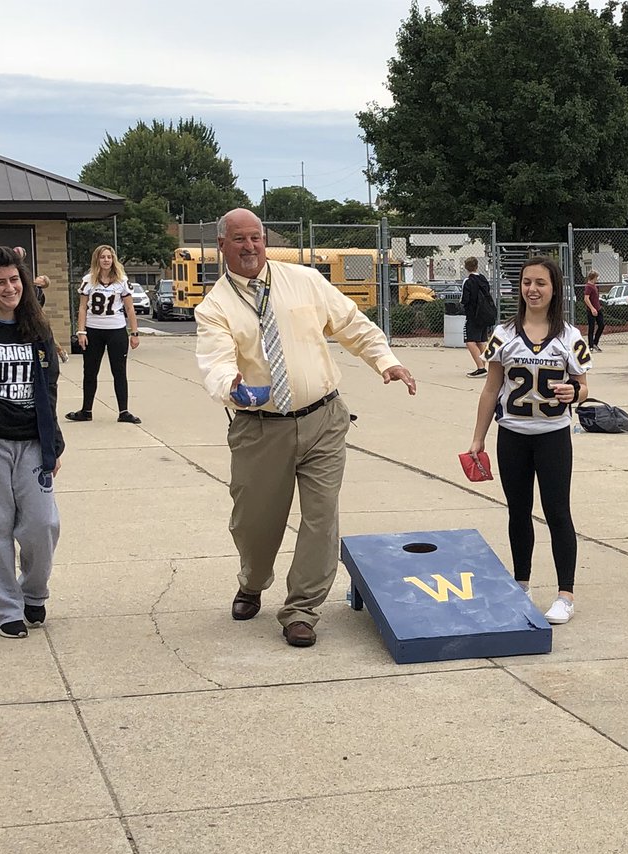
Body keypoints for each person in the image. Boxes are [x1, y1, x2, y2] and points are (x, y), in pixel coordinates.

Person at [195, 208, 417, 648]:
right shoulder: (215, 307)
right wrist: (231, 385)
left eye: (256, 237)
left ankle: (301, 610)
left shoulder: (304, 280)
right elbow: (215, 360)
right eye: (239, 239)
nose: (250, 246)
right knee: (255, 524)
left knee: (321, 517)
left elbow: (352, 324)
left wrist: (385, 361)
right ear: (222, 245)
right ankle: (252, 580)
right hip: (260, 429)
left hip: (324, 419)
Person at [466, 257, 591, 625]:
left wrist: (574, 392)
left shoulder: (570, 336)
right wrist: (478, 438)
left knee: (557, 512)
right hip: (513, 436)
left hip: (552, 437)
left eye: (540, 283)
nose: (532, 290)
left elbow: (584, 386)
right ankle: (521, 584)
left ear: (554, 289)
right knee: (517, 512)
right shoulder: (503, 334)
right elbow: (491, 389)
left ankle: (565, 594)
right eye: (526, 282)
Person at [0, 246, 64, 638]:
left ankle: (33, 593)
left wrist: (53, 442)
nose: (10, 288)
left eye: (14, 279)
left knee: (43, 525)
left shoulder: (36, 328)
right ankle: (6, 609)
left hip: (32, 443)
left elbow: (50, 388)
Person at [65, 244, 142, 424]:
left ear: (113, 259)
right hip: (94, 329)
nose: (106, 260)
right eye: (102, 257)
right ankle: (86, 410)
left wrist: (134, 332)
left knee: (119, 371)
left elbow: (130, 308)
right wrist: (81, 331)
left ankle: (124, 411)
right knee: (90, 371)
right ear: (97, 260)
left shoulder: (121, 281)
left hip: (116, 329)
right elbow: (82, 307)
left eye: (109, 257)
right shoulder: (89, 280)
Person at [462, 256, 494, 376]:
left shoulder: (468, 281)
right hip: (484, 314)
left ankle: (480, 368)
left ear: (466, 268)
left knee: (470, 341)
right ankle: (487, 365)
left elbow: (465, 300)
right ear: (477, 266)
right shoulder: (483, 279)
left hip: (473, 315)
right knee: (481, 341)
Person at [583, 270, 604, 352]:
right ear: (593, 277)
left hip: (598, 309)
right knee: (591, 328)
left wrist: (598, 307)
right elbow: (586, 298)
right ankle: (590, 345)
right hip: (591, 310)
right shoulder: (588, 286)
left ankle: (595, 343)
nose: (597, 279)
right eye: (596, 277)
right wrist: (592, 308)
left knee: (601, 325)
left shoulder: (594, 286)